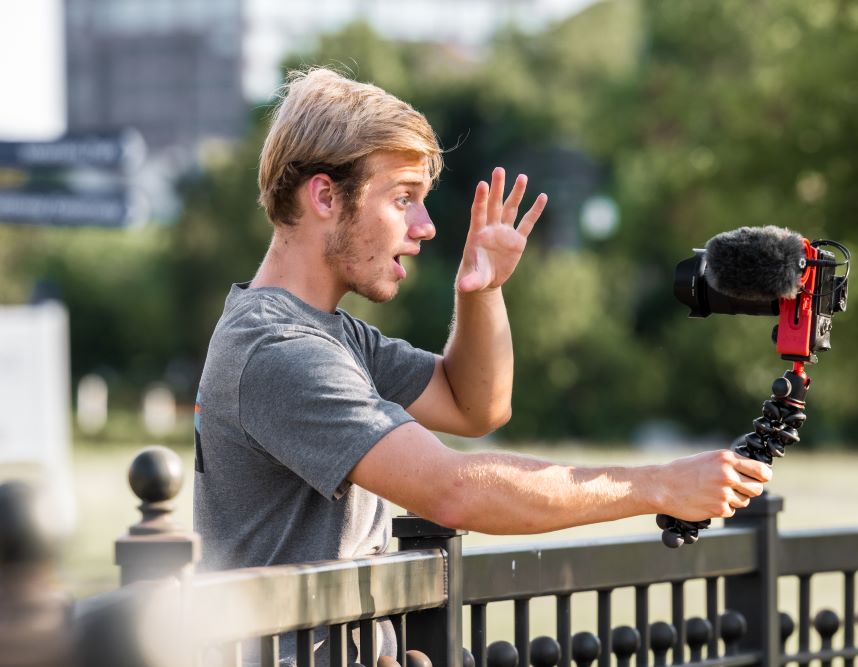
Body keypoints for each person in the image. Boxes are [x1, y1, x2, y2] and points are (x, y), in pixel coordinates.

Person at [193, 68, 771, 663]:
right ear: (324, 196)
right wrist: (661, 486)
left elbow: (475, 407)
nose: (425, 225)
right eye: (403, 198)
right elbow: (453, 491)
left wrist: (481, 290)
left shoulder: (332, 336)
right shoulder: (278, 349)